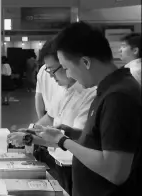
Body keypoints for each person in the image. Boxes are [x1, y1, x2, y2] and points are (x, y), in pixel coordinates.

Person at [35, 22, 141, 196]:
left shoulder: (118, 96)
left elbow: (115, 171)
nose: (68, 75)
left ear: (85, 62)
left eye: (67, 68)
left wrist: (63, 141)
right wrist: (70, 133)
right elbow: (104, 141)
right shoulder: (109, 88)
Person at [8, 37, 97, 195]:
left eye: (54, 69)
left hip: (74, 169)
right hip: (56, 163)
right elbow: (50, 117)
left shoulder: (91, 94)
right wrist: (30, 131)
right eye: (47, 70)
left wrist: (30, 138)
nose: (50, 76)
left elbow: (76, 140)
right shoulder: (65, 89)